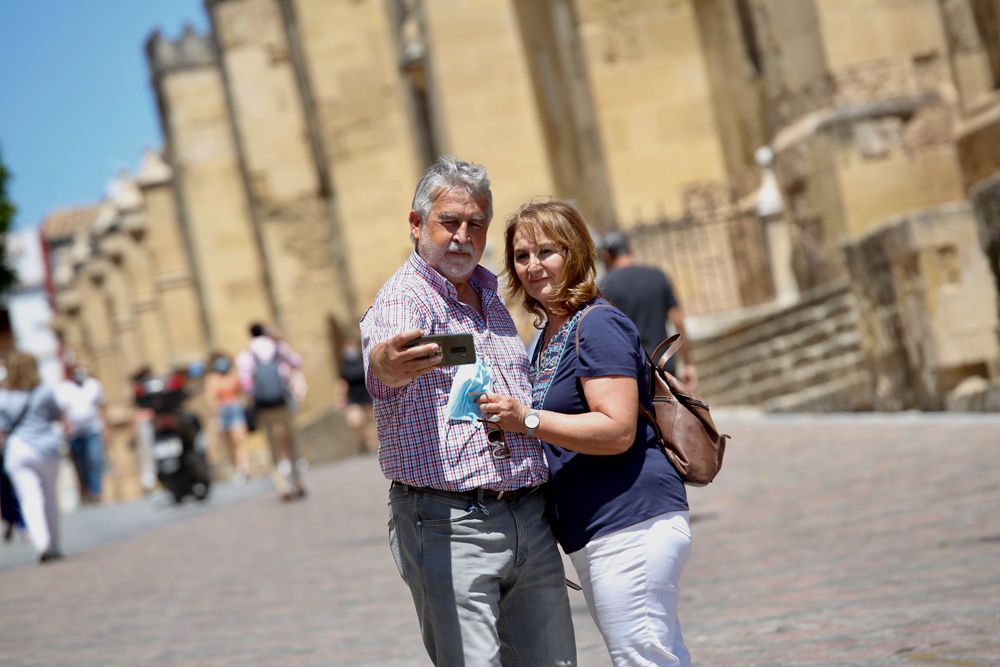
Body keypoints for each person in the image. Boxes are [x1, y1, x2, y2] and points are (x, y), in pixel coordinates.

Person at [361, 156, 576, 666]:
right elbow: (382, 361)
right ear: (416, 225)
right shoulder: (403, 300)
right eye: (448, 222)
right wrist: (388, 362)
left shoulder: (491, 294)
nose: (462, 235)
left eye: (475, 223)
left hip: (528, 515)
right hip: (449, 523)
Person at [478, 201, 693, 666]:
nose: (533, 266)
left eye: (546, 251)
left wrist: (526, 420)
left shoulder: (597, 324)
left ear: (574, 253)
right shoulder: (549, 335)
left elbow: (616, 429)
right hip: (600, 528)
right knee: (657, 653)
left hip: (629, 520)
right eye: (521, 255)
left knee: (642, 657)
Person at [600, 230, 697, 388]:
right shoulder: (657, 275)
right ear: (629, 248)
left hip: (631, 372)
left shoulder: (605, 286)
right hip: (664, 365)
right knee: (671, 412)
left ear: (606, 256)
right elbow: (678, 321)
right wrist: (688, 363)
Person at [0, 352, 65, 563]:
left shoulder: (5, 396)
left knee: (29, 498)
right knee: (49, 499)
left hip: (19, 449)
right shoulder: (44, 391)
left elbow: (2, 429)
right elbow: (57, 414)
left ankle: (41, 543)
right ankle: (54, 545)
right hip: (46, 448)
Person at [236, 323, 306, 501]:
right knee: (291, 441)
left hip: (264, 406)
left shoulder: (246, 355)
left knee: (272, 444)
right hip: (282, 401)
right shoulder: (277, 347)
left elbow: (245, 383)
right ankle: (298, 481)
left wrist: (258, 395)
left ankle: (282, 486)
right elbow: (297, 362)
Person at [55, 362, 107, 504]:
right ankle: (86, 490)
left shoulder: (93, 385)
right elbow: (61, 411)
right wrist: (66, 424)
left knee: (95, 459)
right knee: (80, 464)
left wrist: (107, 428)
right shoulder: (64, 388)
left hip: (93, 429)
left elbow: (102, 405)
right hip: (74, 434)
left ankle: (96, 491)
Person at [205, 353, 250, 483]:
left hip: (235, 408)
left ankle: (244, 468)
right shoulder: (212, 379)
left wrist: (242, 403)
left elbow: (242, 391)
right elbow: (211, 398)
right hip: (222, 412)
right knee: (229, 442)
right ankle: (236, 468)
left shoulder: (233, 375)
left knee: (239, 439)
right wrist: (217, 412)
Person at [337, 339, 375, 454]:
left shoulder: (364, 361)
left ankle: (369, 444)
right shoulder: (344, 366)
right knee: (356, 421)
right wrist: (341, 399)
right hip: (353, 398)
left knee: (368, 422)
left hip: (366, 396)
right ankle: (363, 441)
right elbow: (343, 383)